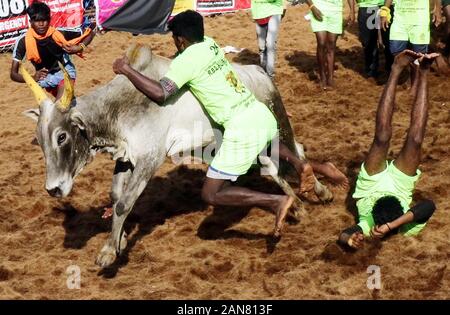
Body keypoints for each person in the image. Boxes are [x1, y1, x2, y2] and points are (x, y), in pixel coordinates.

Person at [111, 10, 348, 236]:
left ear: (181, 40)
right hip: (258, 112)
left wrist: (127, 70)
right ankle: (315, 166)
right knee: (269, 147)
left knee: (211, 193)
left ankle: (275, 201)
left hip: (242, 127)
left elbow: (161, 93)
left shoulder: (185, 62)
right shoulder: (210, 44)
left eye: (175, 39)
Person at [338, 50, 438, 249]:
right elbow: (429, 206)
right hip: (400, 186)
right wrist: (394, 225)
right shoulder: (407, 227)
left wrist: (349, 240)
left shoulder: (367, 225)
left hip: (371, 185)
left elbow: (345, 234)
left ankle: (395, 69)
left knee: (382, 137)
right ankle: (424, 73)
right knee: (416, 139)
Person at [10, 1, 95, 99]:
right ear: (30, 22)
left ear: (49, 20)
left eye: (44, 20)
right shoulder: (23, 41)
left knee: (59, 106)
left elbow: (90, 33)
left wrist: (80, 47)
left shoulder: (59, 33)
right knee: (67, 104)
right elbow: (13, 74)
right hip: (45, 79)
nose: (41, 24)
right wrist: (33, 78)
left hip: (65, 72)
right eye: (37, 21)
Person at [380, 0, 442, 91]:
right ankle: (409, 73)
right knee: (396, 51)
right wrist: (385, 10)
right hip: (400, 19)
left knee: (419, 56)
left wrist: (437, 11)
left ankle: (414, 84)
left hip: (420, 20)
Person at [305, 0, 356, 90]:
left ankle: (330, 78)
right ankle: (322, 77)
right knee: (321, 43)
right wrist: (312, 6)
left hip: (336, 11)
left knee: (331, 45)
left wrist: (352, 11)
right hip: (318, 8)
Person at [356, 0, 393, 77]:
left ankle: (391, 69)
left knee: (389, 40)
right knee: (368, 41)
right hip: (366, 6)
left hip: (386, 6)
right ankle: (371, 70)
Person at [250, 0, 285, 79]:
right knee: (261, 47)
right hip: (259, 13)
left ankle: (270, 76)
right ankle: (263, 73)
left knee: (270, 44)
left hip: (274, 10)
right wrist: (253, 12)